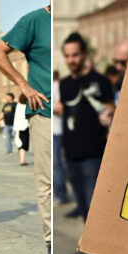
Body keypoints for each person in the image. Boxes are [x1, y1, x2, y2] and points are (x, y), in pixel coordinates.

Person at [0, 0, 52, 254]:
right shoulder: (34, 21)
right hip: (45, 111)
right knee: (49, 179)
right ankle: (53, 241)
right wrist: (24, 85)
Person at [56, 32, 114, 221]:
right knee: (82, 207)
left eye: (75, 55)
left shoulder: (100, 81)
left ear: (84, 55)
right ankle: (92, 248)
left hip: (93, 153)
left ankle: (97, 250)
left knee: (93, 208)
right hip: (71, 154)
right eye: (67, 56)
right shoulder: (65, 85)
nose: (71, 60)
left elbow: (111, 110)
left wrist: (107, 115)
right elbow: (68, 112)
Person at [52, 71, 72, 205]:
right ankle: (57, 193)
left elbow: (62, 108)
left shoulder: (57, 86)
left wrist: (49, 108)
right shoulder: (53, 86)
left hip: (57, 130)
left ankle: (61, 194)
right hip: (52, 130)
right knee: (54, 164)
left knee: (56, 164)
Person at [13, 94, 30, 166]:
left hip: (19, 126)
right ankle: (22, 160)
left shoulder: (18, 105)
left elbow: (16, 116)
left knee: (21, 143)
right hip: (26, 126)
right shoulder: (28, 105)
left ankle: (22, 159)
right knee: (24, 144)